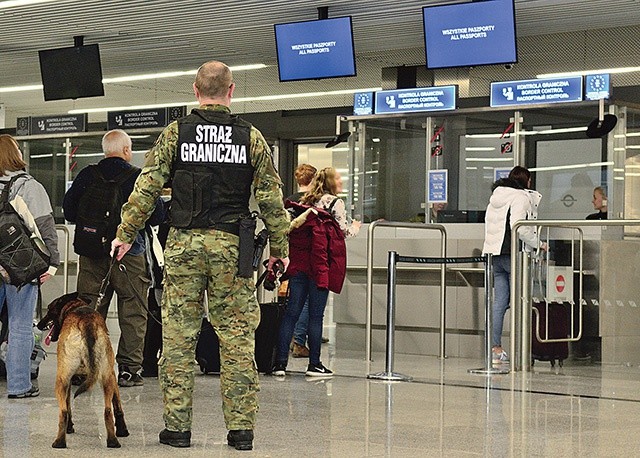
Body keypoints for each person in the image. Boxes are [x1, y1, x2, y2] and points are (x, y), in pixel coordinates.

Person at [111, 60, 290, 451]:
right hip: (233, 249)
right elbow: (271, 200)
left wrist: (125, 233)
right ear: (232, 90)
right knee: (238, 340)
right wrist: (280, 250)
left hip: (184, 247)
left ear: (195, 90)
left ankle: (178, 429)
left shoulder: (176, 133)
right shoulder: (251, 138)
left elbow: (146, 189)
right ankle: (241, 431)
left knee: (177, 337)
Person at [63, 129, 164, 388]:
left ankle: (83, 368)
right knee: (133, 312)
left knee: (89, 310)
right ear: (127, 151)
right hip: (130, 254)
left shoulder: (87, 174)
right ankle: (129, 370)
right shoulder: (137, 177)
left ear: (105, 150)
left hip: (92, 254)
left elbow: (70, 210)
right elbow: (157, 215)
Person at [273, 166, 361, 378]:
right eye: (339, 178)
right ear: (331, 182)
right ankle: (314, 365)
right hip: (321, 265)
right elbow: (341, 232)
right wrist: (356, 228)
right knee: (315, 315)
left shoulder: (304, 201)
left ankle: (280, 364)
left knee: (291, 313)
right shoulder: (334, 203)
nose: (341, 181)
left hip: (300, 263)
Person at [0, 134, 60, 398]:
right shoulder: (28, 186)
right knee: (20, 325)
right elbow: (45, 226)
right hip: (19, 268)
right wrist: (53, 262)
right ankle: (19, 385)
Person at [482, 166, 546, 364]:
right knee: (521, 302)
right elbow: (518, 226)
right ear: (526, 181)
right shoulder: (520, 196)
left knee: (499, 303)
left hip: (495, 254)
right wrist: (539, 244)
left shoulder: (497, 197)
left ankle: (495, 348)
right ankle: (521, 350)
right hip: (513, 254)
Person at [286, 163, 317, 358]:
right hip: (311, 255)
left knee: (294, 300)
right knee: (308, 300)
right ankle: (299, 340)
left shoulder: (289, 201)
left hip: (293, 254)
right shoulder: (313, 202)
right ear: (312, 179)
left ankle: (288, 340)